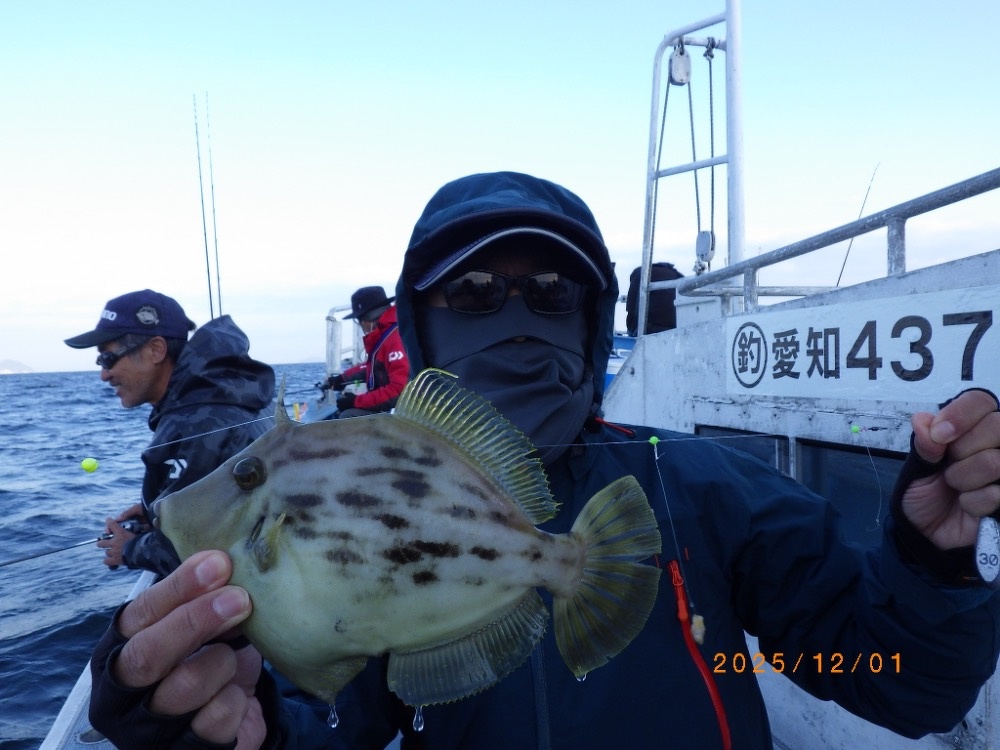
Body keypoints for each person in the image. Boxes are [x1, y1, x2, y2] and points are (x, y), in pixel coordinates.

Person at [87, 174, 1000, 750]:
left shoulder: (705, 487)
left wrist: (932, 559)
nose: (518, 318)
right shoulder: (360, 502)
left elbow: (901, 682)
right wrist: (202, 722)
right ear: (424, 323)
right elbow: (315, 720)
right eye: (475, 291)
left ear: (592, 324)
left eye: (555, 293)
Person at [65, 289, 275, 577]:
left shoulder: (194, 422)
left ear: (156, 350)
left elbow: (199, 548)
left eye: (108, 359)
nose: (104, 374)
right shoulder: (229, 393)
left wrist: (129, 549)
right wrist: (155, 510)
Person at [324, 285, 409, 417]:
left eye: (359, 321)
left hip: (404, 414)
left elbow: (400, 391)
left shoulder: (395, 339)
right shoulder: (388, 334)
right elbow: (371, 367)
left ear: (366, 320)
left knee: (347, 416)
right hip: (396, 409)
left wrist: (355, 402)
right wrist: (341, 379)